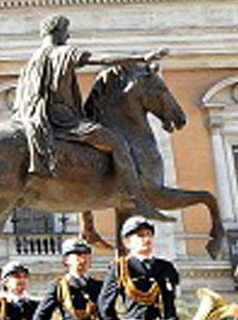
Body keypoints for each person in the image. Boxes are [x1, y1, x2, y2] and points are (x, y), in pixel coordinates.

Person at [12, 15, 164, 209]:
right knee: (116, 142)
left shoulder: (33, 59)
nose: (68, 36)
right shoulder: (62, 52)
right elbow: (101, 60)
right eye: (66, 33)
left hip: (31, 116)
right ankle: (133, 194)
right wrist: (141, 58)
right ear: (59, 33)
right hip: (60, 118)